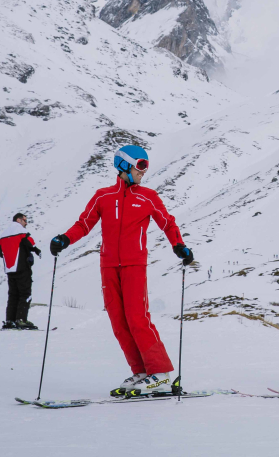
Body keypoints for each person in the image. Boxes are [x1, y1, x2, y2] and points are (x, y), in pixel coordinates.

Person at [48, 145, 195, 396]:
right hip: (108, 266)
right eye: (140, 165)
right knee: (119, 322)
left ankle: (159, 373)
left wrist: (178, 245)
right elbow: (83, 224)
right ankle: (140, 371)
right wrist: (64, 239)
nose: (144, 171)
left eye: (146, 166)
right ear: (124, 165)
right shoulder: (102, 197)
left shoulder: (148, 196)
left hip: (134, 265)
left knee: (138, 318)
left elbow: (167, 223)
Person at [0, 212, 42, 330]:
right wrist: (37, 251)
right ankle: (21, 320)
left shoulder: (3, 235)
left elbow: (0, 254)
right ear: (18, 220)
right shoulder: (20, 231)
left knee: (13, 295)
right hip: (22, 268)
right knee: (25, 293)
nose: (26, 223)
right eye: (24, 220)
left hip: (9, 269)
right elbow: (30, 242)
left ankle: (10, 320)